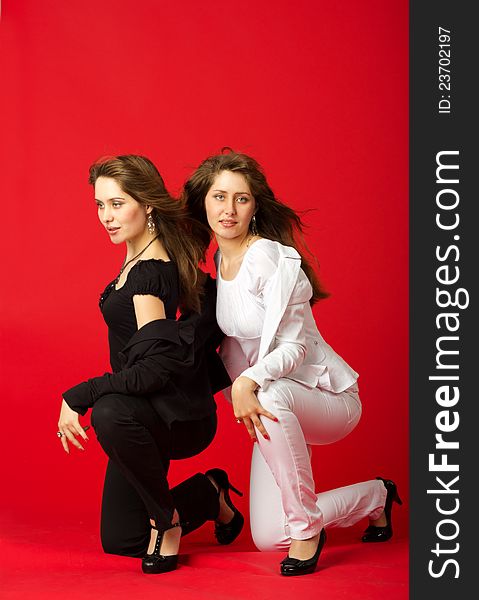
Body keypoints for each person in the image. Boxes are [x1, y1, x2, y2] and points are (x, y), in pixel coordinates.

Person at [183, 150, 402, 577]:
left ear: (255, 206)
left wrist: (247, 385)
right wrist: (238, 394)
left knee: (271, 391)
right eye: (219, 197)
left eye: (241, 199)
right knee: (268, 536)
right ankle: (376, 497)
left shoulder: (272, 259)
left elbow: (294, 349)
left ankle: (307, 531)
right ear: (203, 202)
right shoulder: (218, 261)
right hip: (272, 401)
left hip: (328, 397)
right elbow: (231, 347)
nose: (228, 210)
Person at [57, 155, 244, 575]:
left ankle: (168, 522)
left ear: (147, 205)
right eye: (100, 205)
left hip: (168, 416)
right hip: (143, 411)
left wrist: (79, 395)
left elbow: (156, 371)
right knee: (122, 540)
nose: (106, 216)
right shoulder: (140, 258)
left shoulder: (147, 277)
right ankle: (208, 493)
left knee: (105, 411)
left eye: (118, 204)